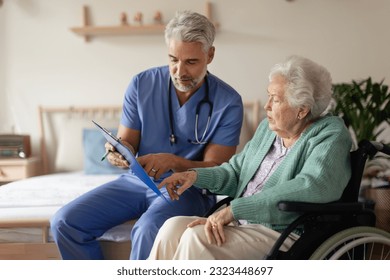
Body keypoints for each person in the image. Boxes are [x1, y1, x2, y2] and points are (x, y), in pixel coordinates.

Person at [50, 10, 243, 260]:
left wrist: (172, 162)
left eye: (191, 62)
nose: (179, 70)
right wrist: (117, 152)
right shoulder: (142, 84)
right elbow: (127, 142)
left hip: (186, 188)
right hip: (137, 181)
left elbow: (217, 167)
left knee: (147, 229)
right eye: (173, 59)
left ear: (210, 55)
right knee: (64, 222)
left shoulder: (228, 102)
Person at [148, 55, 353, 260]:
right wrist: (193, 176)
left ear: (302, 110)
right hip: (242, 224)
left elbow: (312, 185)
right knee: (171, 228)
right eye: (268, 96)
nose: (267, 106)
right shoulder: (268, 129)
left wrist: (235, 210)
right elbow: (235, 172)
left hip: (282, 231)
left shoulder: (330, 134)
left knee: (197, 238)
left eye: (276, 99)